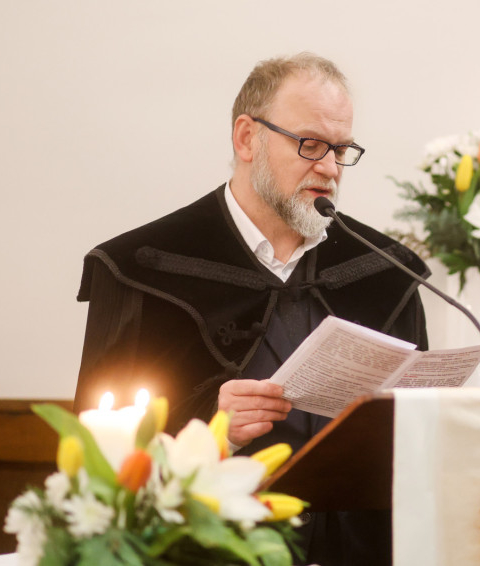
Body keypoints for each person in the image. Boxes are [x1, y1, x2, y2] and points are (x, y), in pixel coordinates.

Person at [72, 53, 429, 566]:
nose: (330, 168)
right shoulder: (143, 267)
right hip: (205, 552)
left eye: (341, 150)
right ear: (246, 138)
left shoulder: (383, 271)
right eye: (310, 144)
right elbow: (98, 454)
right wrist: (210, 426)